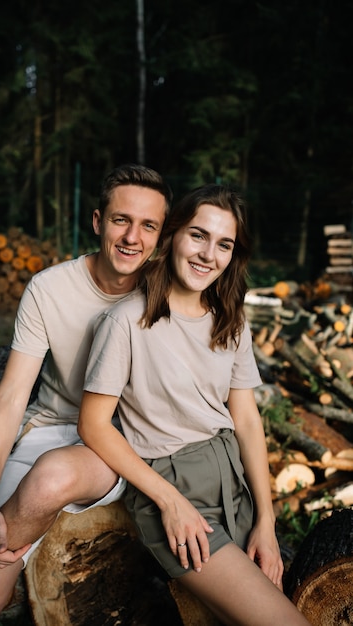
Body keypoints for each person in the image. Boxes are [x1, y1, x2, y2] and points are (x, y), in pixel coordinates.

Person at [0, 163, 172, 626]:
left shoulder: (165, 295)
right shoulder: (49, 287)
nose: (132, 237)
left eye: (149, 226)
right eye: (122, 220)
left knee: (50, 478)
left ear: (161, 237)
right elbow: (11, 396)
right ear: (98, 221)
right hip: (49, 429)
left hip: (119, 444)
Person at [78, 184, 312, 625]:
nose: (209, 254)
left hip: (234, 483)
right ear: (172, 237)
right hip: (174, 487)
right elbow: (93, 425)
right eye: (198, 235)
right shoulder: (126, 321)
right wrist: (170, 501)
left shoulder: (230, 319)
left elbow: (245, 417)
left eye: (224, 244)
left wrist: (266, 519)